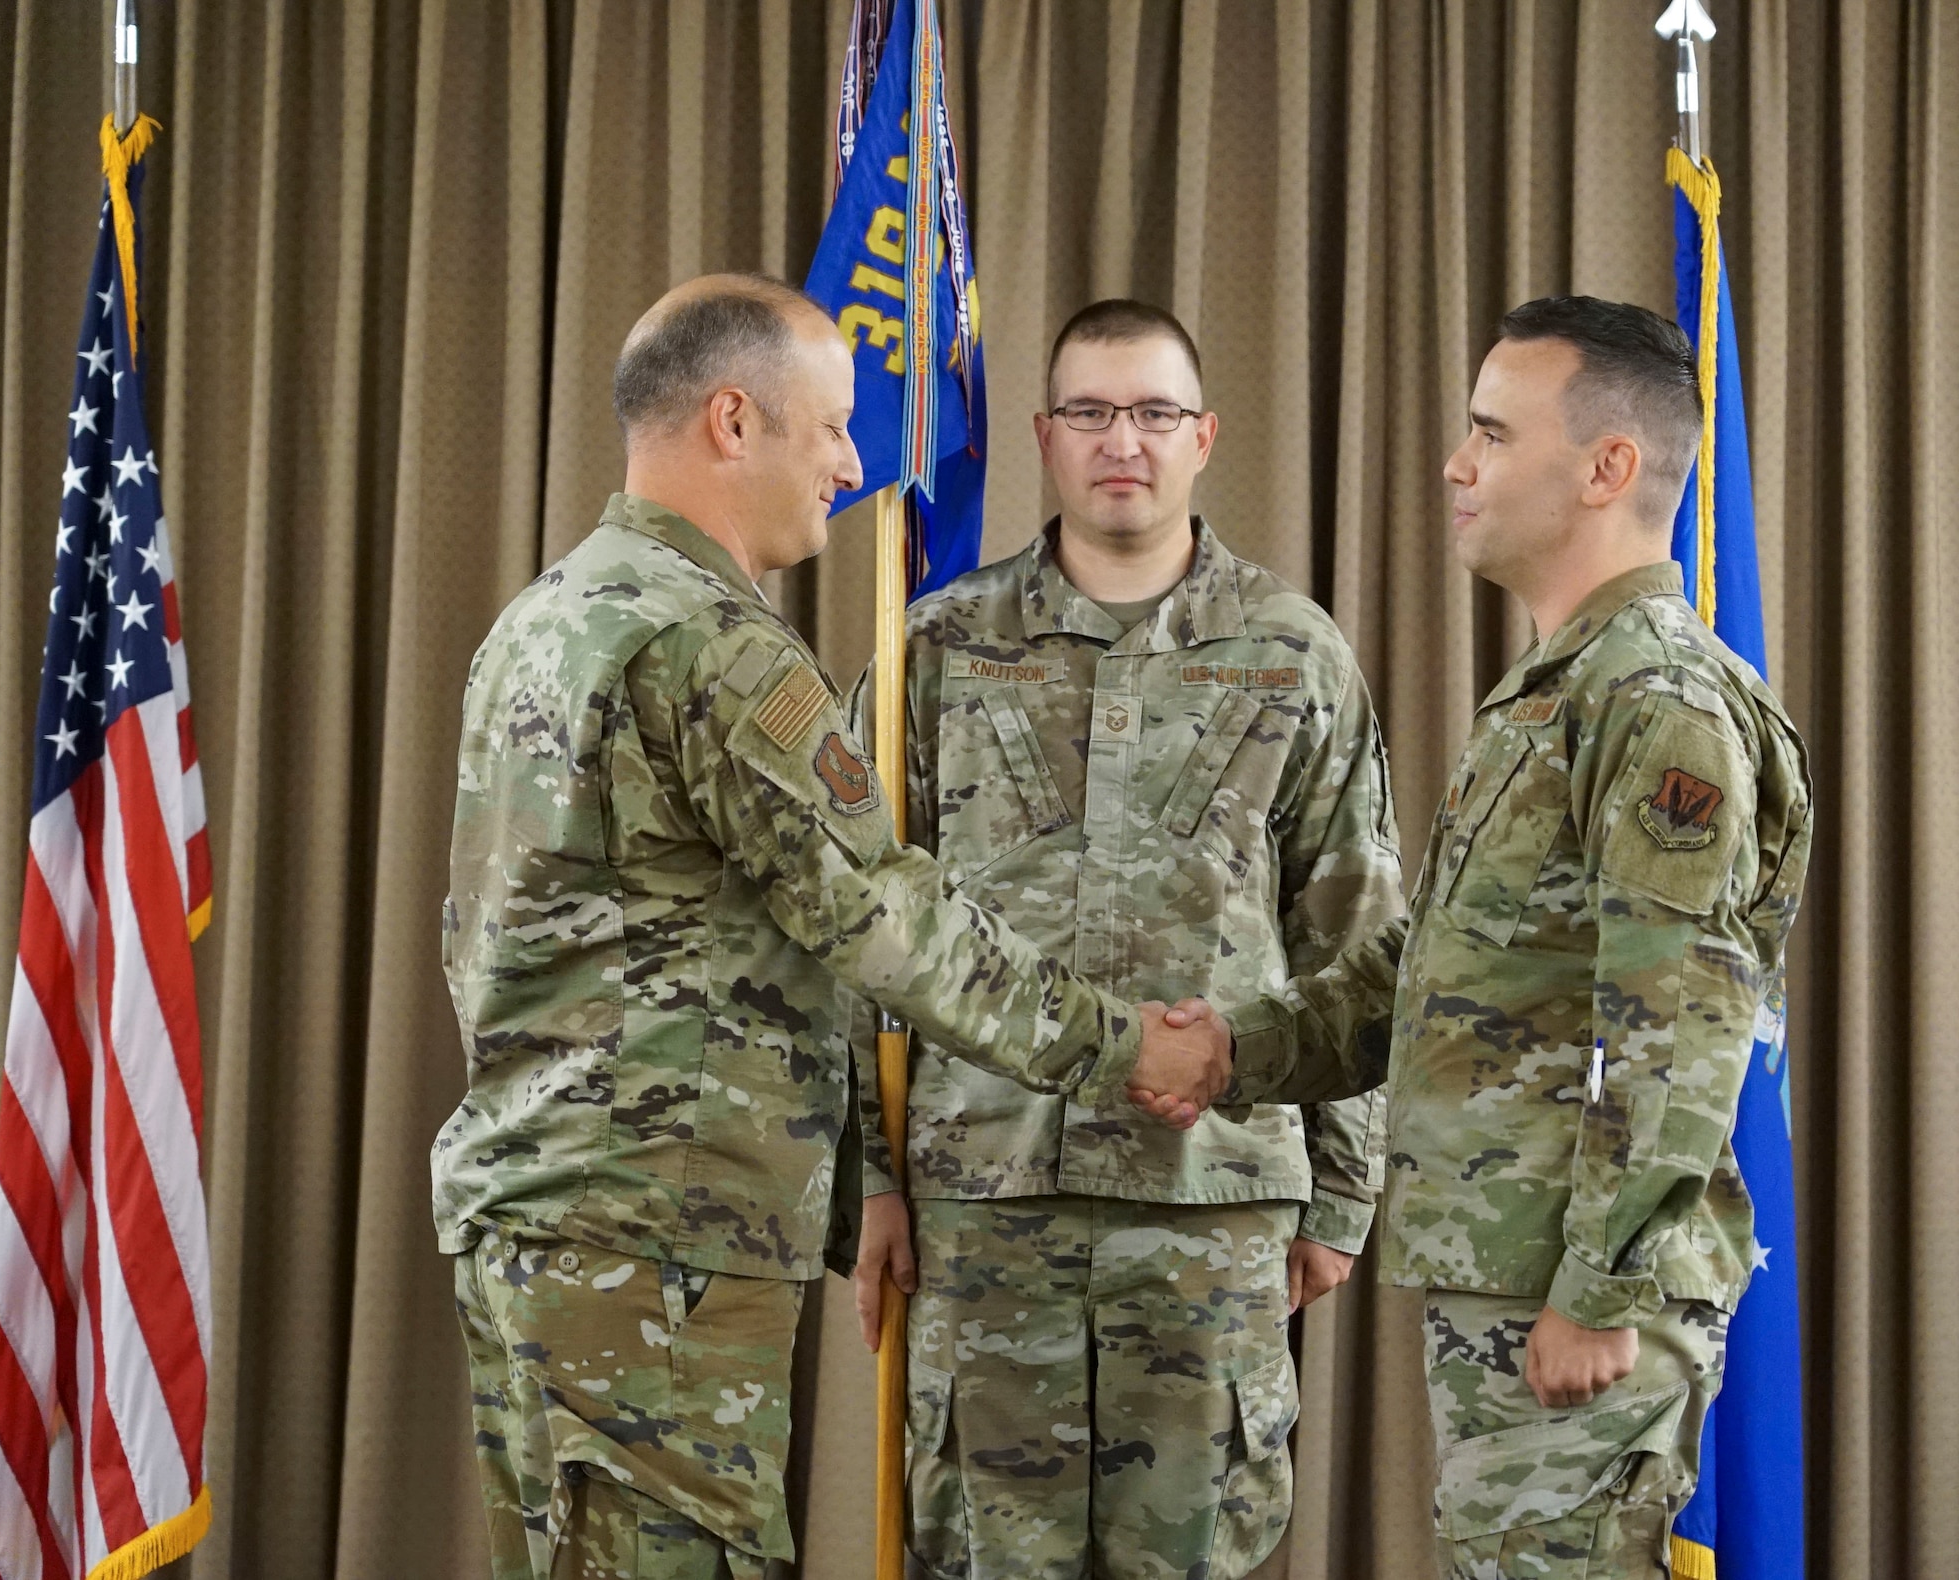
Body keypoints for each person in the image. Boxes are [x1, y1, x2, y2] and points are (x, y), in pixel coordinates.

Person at [431, 273, 1231, 1580]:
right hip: (658, 1243)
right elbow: (880, 916)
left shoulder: (545, 619)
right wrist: (1124, 1046)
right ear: (733, 422)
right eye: (834, 427)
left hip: (545, 1214)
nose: (857, 466)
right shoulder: (710, 646)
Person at [1143, 296, 1813, 1578]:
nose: (1455, 464)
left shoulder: (1653, 701)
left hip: (1571, 1293)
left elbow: (1676, 1018)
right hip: (1509, 1273)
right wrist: (1233, 1050)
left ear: (1605, 467)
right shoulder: (1550, 695)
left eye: (1490, 433)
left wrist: (1600, 1289)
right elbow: (1425, 979)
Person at [848, 299, 1405, 1580]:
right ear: (1043, 435)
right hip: (982, 1195)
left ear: (1203, 435)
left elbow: (1356, 935)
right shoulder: (932, 645)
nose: (1123, 442)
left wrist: (1340, 1192)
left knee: (1194, 1556)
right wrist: (865, 1177)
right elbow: (850, 926)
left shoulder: (1291, 653)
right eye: (1091, 411)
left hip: (1209, 1201)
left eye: (1154, 412)